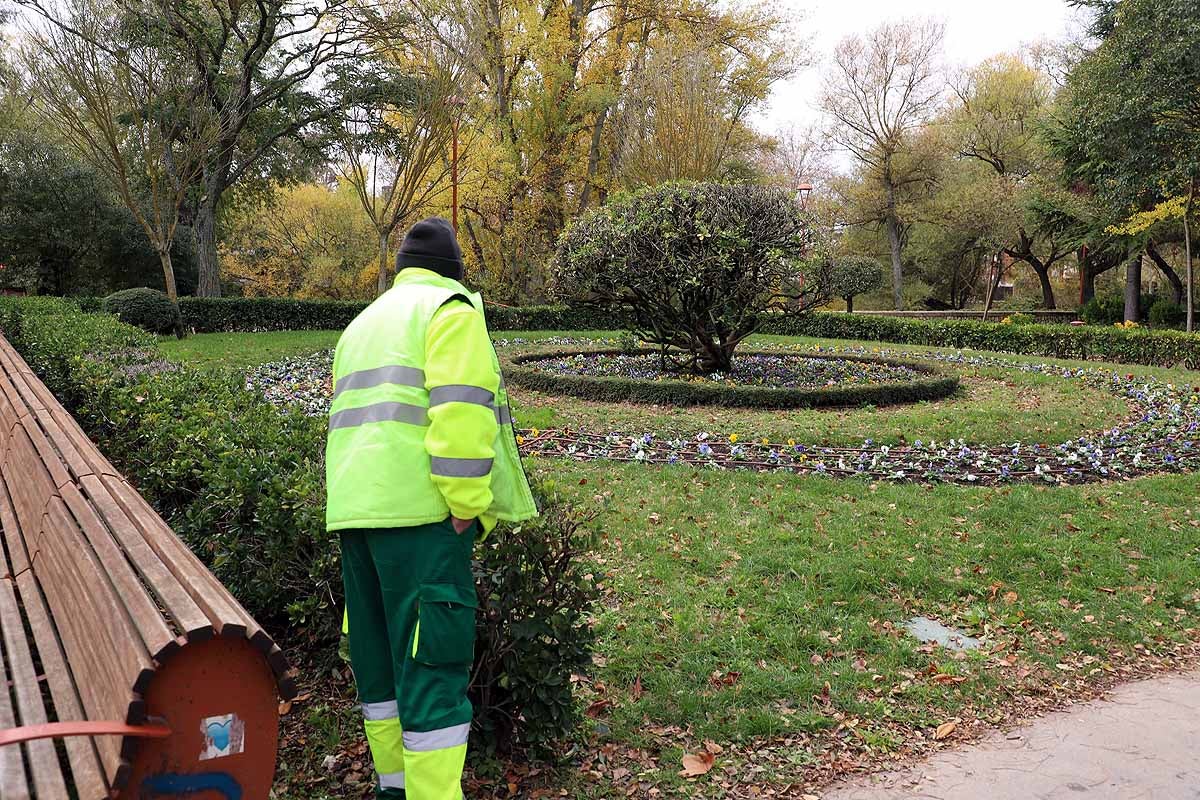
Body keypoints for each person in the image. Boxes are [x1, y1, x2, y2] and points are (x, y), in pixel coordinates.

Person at [325, 217, 538, 800]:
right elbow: (461, 417)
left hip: (355, 518)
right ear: (454, 272)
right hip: (422, 522)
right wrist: (467, 507)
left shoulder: (363, 324)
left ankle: (393, 789)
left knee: (381, 669)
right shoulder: (450, 312)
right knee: (431, 672)